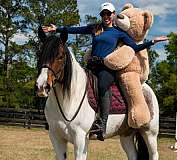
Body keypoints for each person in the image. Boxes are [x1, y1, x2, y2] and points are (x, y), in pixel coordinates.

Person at [42, 2, 168, 141]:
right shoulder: (95, 28)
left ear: (113, 15)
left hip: (106, 69)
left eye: (108, 13)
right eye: (103, 14)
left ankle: (102, 123)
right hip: (91, 66)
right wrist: (57, 29)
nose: (106, 16)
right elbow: (76, 29)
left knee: (102, 86)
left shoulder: (118, 33)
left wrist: (152, 42)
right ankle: (56, 119)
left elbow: (134, 47)